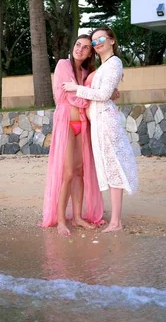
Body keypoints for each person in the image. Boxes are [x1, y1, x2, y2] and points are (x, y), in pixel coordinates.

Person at [62, 26, 139, 233]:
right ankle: (115, 220)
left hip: (106, 122)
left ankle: (116, 222)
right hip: (99, 122)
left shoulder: (114, 63)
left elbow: (103, 94)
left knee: (114, 169)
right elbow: (105, 91)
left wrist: (76, 88)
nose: (97, 44)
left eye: (100, 39)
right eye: (94, 42)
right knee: (111, 169)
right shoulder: (104, 66)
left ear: (112, 40)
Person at [39, 34, 106, 236]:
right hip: (67, 121)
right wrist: (85, 95)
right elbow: (71, 97)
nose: (80, 49)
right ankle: (61, 220)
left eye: (86, 47)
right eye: (78, 45)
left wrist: (104, 93)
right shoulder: (62, 65)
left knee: (80, 172)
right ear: (73, 46)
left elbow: (93, 95)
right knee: (67, 173)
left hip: (82, 124)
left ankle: (77, 217)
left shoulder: (86, 72)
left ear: (89, 53)